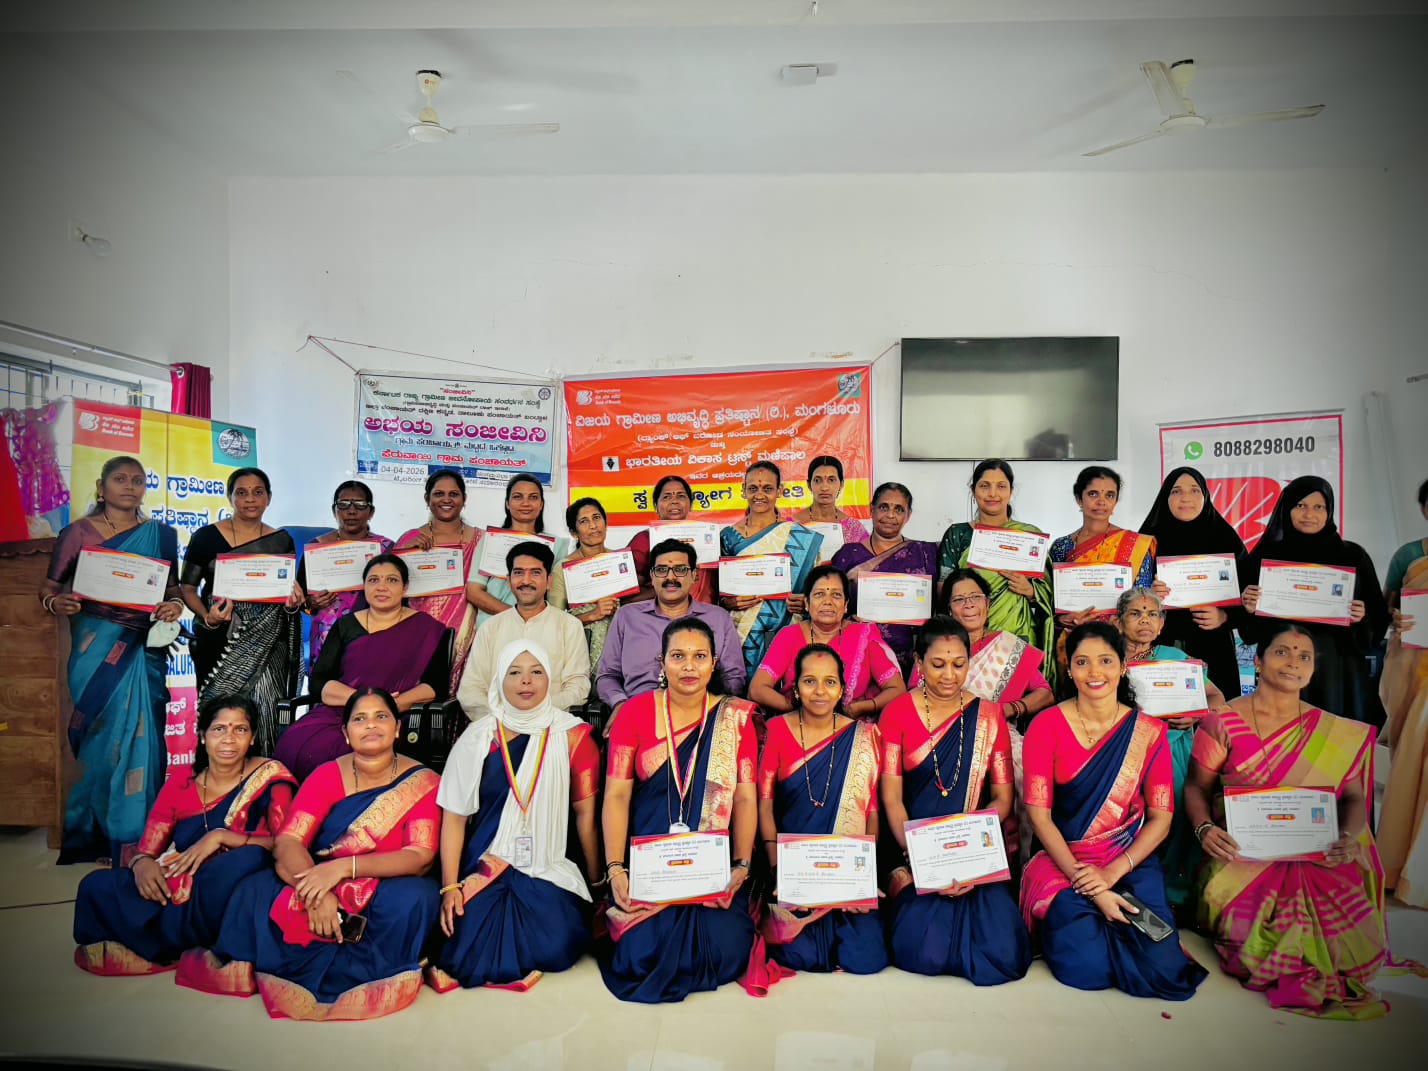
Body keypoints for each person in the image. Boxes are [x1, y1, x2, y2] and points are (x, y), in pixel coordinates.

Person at [177, 688, 441, 1022]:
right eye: (360, 719)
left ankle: (362, 968)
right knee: (254, 889)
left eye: (381, 717)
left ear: (398, 727)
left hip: (383, 880)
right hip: (317, 875)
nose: (371, 725)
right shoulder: (327, 775)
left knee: (417, 898)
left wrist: (345, 868)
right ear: (345, 732)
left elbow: (419, 855)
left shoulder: (424, 782)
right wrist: (315, 893)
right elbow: (289, 840)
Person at [1185, 623, 1388, 1018]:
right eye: (1282, 652)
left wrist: (1348, 836)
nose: (1294, 662)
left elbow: (1352, 797)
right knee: (1257, 943)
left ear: (1312, 670)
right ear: (1258, 661)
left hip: (1316, 854)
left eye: (1304, 656)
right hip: (1244, 856)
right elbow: (1196, 787)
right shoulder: (1223, 721)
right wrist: (1205, 828)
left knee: (1350, 948)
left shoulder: (1334, 730)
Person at [1020, 622, 1206, 1000]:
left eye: (1105, 661)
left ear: (1123, 667)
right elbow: (1040, 816)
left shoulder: (1148, 732)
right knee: (1085, 967)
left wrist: (1110, 874)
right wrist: (1090, 884)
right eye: (1082, 662)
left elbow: (1161, 819)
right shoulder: (1046, 726)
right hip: (1064, 862)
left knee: (1164, 969)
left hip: (1127, 860)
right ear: (1069, 669)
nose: (1095, 672)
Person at [73, 696, 296, 975]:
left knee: (247, 860)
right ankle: (178, 936)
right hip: (180, 884)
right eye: (219, 729)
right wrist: (141, 865)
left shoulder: (271, 778)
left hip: (230, 886)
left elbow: (287, 844)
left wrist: (221, 837)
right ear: (202, 736)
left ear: (252, 739)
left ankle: (163, 939)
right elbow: (148, 849)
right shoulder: (182, 783)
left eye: (240, 729)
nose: (229, 739)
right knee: (95, 886)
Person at [600, 617, 761, 1003]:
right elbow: (616, 796)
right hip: (651, 864)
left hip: (710, 869)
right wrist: (616, 869)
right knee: (638, 956)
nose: (689, 666)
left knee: (727, 949)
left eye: (699, 656)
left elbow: (744, 798)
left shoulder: (735, 718)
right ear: (662, 662)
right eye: (678, 656)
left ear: (714, 663)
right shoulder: (634, 713)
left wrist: (741, 866)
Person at [428, 641, 601, 991]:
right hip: (485, 863)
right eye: (515, 673)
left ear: (550, 679)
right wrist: (449, 887)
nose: (526, 681)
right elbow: (454, 819)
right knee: (461, 942)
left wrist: (598, 885)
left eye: (536, 672)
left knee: (558, 940)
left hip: (546, 863)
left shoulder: (573, 737)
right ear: (499, 680)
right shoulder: (478, 738)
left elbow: (586, 817)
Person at [41, 455, 183, 863]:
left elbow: (172, 590)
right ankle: (101, 836)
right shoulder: (78, 533)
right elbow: (49, 588)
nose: (130, 487)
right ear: (101, 488)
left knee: (144, 736)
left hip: (141, 648)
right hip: (94, 648)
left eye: (138, 481)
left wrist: (173, 606)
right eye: (120, 479)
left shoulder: (162, 535)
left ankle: (140, 839)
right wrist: (56, 603)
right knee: (101, 740)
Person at [879, 618, 1031, 984]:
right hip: (915, 850)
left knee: (1004, 951)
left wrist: (967, 855)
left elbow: (1002, 799)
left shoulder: (989, 715)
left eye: (959, 664)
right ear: (919, 663)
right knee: (921, 950)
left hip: (972, 850)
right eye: (938, 664)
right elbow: (892, 798)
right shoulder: (897, 712)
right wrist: (919, 855)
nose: (949, 675)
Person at [757, 645, 887, 975]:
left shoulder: (863, 737)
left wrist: (864, 875)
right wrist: (778, 870)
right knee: (797, 953)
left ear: (842, 689)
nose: (819, 691)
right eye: (809, 681)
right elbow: (764, 805)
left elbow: (871, 812)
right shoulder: (776, 730)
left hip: (846, 873)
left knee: (867, 958)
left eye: (830, 682)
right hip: (794, 873)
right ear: (795, 688)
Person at [275, 555, 450, 781]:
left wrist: (387, 706)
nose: (382, 587)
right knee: (297, 743)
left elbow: (435, 686)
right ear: (364, 586)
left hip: (398, 715)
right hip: (342, 711)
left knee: (364, 746)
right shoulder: (346, 625)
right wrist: (359, 702)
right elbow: (320, 681)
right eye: (374, 580)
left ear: (405, 587)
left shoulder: (427, 629)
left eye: (392, 580)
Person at [1241, 476, 1389, 725]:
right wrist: (1249, 608)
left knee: (1332, 741)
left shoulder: (1352, 556)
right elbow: (1249, 633)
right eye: (1300, 505)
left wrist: (1362, 617)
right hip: (1282, 670)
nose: (1309, 514)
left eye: (1318, 507)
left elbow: (1378, 622)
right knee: (1282, 739)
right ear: (1287, 509)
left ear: (1329, 511)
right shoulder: (1267, 556)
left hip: (1336, 674)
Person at [179, 467, 304, 757]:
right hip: (219, 639)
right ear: (230, 497)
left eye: (258, 492)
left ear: (268, 498)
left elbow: (283, 587)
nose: (250, 499)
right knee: (220, 714)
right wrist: (207, 617)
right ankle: (217, 775)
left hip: (269, 641)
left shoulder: (280, 540)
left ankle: (263, 774)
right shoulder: (206, 537)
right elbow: (187, 588)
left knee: (266, 712)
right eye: (242, 493)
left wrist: (293, 601)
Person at [1114, 587, 1226, 910]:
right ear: (1119, 622)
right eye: (1135, 614)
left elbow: (1217, 699)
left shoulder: (1177, 659)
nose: (1144, 621)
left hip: (1174, 749)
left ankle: (1173, 895)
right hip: (1124, 752)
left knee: (1175, 816)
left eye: (1152, 615)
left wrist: (1195, 715)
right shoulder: (1109, 658)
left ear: (1162, 624)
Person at [939, 568, 1056, 866]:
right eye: (959, 600)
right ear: (949, 609)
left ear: (988, 604)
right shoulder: (938, 648)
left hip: (1001, 731)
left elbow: (1045, 694)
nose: (969, 605)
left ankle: (1022, 863)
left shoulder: (1008, 647)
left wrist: (1010, 709)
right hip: (945, 734)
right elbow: (917, 693)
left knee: (1027, 772)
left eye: (975, 597)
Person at [598, 539, 746, 722]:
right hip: (639, 715)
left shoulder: (718, 618)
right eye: (661, 570)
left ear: (694, 576)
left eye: (680, 569)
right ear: (652, 577)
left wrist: (706, 704)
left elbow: (734, 676)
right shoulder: (627, 617)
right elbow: (607, 676)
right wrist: (620, 704)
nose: (670, 577)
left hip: (701, 716)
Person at [1139, 467, 1248, 699]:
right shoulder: (1146, 542)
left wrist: (1225, 616)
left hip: (1214, 647)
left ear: (1205, 496)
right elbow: (1127, 597)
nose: (1185, 498)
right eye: (1176, 491)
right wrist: (1149, 594)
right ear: (1165, 497)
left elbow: (1250, 594)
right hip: (1160, 645)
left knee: (1216, 714)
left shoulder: (1225, 539)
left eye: (1194, 490)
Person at [1047, 466, 1156, 693]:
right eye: (1093, 494)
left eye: (1109, 495)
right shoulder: (1062, 547)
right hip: (1073, 643)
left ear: (1116, 502)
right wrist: (1064, 619)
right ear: (1079, 499)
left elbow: (1141, 597)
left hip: (1120, 644)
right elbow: (1049, 602)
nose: (1101, 502)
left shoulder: (1135, 545)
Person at [749, 565, 905, 719]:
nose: (828, 601)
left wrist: (861, 708)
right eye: (819, 594)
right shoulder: (789, 636)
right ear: (807, 603)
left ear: (846, 605)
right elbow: (757, 689)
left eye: (836, 595)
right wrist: (797, 711)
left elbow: (896, 689)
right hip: (798, 725)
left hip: (849, 725)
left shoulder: (864, 636)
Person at [456, 542, 590, 720]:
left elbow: (578, 687)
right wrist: (502, 718)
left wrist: (533, 714)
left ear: (549, 582)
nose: (526, 581)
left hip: (551, 725)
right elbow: (470, 690)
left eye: (535, 573)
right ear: (509, 580)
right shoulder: (490, 628)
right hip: (496, 726)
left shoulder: (569, 626)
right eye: (519, 573)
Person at [937, 459, 1054, 657]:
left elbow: (1051, 596)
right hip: (968, 639)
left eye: (1001, 486)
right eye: (985, 486)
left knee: (1020, 677)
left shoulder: (1029, 536)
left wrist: (1032, 592)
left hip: (1018, 636)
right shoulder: (958, 534)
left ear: (1011, 492)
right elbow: (944, 593)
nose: (993, 493)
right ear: (973, 491)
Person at [720, 462, 823, 684]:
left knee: (784, 689)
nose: (759, 495)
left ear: (779, 491)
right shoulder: (727, 537)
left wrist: (806, 603)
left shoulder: (800, 536)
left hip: (788, 627)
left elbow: (818, 588)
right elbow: (714, 593)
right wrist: (728, 602)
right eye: (753, 488)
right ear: (743, 490)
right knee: (742, 691)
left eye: (767, 488)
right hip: (740, 632)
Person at [831, 481, 938, 680]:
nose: (890, 515)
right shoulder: (849, 555)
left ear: (908, 516)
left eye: (899, 509)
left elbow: (937, 605)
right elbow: (832, 600)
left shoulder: (924, 553)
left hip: (909, 657)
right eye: (883, 507)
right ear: (871, 510)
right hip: (857, 652)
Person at [1379, 477, 1428, 906]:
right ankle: (1401, 864)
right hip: (1414, 668)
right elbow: (1386, 606)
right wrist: (1395, 617)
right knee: (1411, 758)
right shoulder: (1410, 555)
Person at [395, 470, 483, 694]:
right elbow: (389, 586)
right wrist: (406, 553)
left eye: (454, 494)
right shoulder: (410, 539)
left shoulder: (481, 539)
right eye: (439, 494)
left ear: (464, 499)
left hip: (468, 633)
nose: (446, 499)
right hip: (419, 632)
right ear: (427, 499)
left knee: (464, 697)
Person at [300, 480, 393, 664]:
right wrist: (311, 604)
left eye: (360, 505)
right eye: (343, 504)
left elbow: (400, 597)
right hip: (327, 641)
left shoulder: (386, 549)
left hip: (375, 636)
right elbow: (303, 604)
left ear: (371, 512)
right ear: (334, 510)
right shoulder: (316, 549)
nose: (351, 511)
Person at [467, 474, 570, 628]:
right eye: (518, 497)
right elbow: (474, 591)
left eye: (533, 497)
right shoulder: (490, 539)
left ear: (541, 504)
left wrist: (532, 621)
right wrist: (517, 616)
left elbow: (555, 596)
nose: (525, 503)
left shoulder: (557, 545)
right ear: (507, 504)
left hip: (538, 628)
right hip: (493, 626)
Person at [549, 497, 624, 687]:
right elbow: (554, 621)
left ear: (605, 523)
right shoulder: (564, 568)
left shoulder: (620, 561)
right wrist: (593, 615)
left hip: (621, 645)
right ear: (574, 533)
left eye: (596, 518)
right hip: (581, 648)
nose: (593, 525)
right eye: (584, 521)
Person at [625, 475, 717, 604]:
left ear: (690, 504)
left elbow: (717, 588)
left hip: (703, 613)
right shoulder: (644, 541)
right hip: (657, 615)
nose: (674, 501)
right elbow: (627, 598)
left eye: (681, 496)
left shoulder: (708, 538)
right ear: (656, 506)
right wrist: (670, 586)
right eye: (667, 497)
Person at [784, 456, 868, 556]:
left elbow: (866, 562)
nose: (824, 488)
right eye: (817, 480)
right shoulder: (790, 526)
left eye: (831, 480)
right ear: (809, 485)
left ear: (841, 484)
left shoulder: (854, 529)